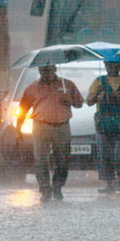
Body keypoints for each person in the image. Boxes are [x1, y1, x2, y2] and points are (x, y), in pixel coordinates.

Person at [16, 65, 84, 202]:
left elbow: (80, 103)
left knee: (63, 160)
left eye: (48, 70)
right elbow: (23, 109)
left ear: (54, 69)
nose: (46, 73)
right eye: (43, 71)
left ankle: (57, 186)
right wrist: (18, 129)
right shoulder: (32, 88)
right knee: (41, 159)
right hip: (41, 126)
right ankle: (45, 189)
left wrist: (69, 100)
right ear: (39, 71)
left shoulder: (67, 85)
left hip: (62, 126)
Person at [86, 61, 120, 194]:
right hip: (104, 123)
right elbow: (89, 101)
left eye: (115, 65)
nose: (112, 68)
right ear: (105, 66)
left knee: (119, 153)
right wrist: (97, 93)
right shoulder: (99, 82)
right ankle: (109, 182)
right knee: (105, 153)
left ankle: (119, 179)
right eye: (110, 65)